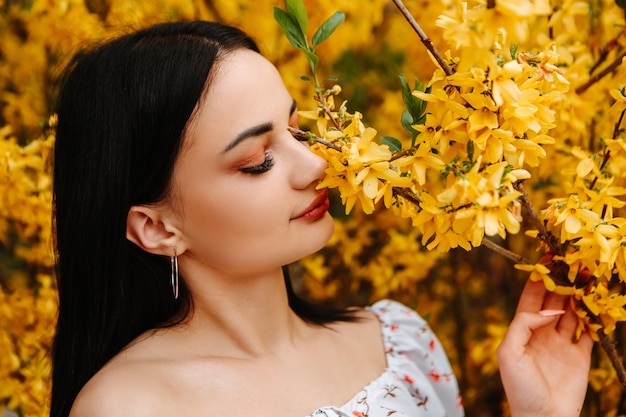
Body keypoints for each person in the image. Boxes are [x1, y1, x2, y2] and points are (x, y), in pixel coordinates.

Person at [50, 20, 593, 417]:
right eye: (257, 161)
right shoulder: (131, 407)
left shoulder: (399, 342)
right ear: (158, 227)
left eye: (297, 130)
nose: (316, 165)